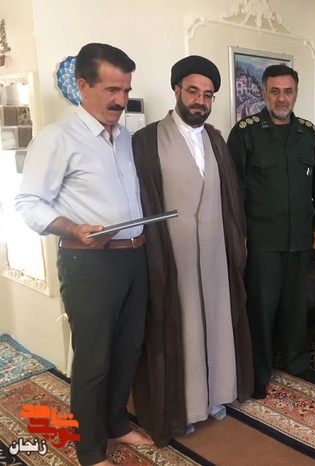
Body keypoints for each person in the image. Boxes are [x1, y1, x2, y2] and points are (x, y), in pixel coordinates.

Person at [15, 43, 152, 466]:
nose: (121, 100)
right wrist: (73, 228)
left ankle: (116, 424)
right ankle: (90, 450)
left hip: (135, 258)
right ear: (82, 86)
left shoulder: (125, 137)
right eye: (112, 89)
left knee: (128, 349)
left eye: (126, 90)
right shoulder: (57, 139)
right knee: (94, 359)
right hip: (89, 263)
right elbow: (29, 203)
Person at [131, 55, 254, 445]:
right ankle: (182, 410)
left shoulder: (216, 139)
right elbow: (143, 201)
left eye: (208, 94)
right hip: (172, 256)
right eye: (194, 91)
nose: (201, 100)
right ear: (177, 91)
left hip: (216, 252)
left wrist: (237, 242)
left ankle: (216, 396)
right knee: (181, 330)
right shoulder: (146, 140)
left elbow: (229, 199)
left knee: (217, 322)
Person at [227, 64, 315, 399]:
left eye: (288, 91)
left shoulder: (308, 134)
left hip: (300, 236)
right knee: (261, 307)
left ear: (296, 93)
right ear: (263, 93)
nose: (281, 98)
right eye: (275, 91)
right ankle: (257, 372)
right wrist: (239, 235)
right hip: (262, 240)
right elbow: (234, 190)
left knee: (294, 304)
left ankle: (297, 362)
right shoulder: (245, 134)